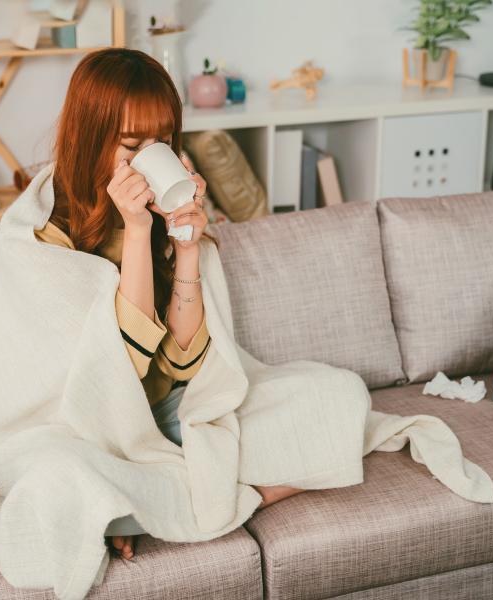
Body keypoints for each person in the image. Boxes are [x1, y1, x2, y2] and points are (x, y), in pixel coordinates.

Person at [33, 47, 305, 562]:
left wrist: (185, 248)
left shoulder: (166, 206)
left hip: (173, 410)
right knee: (54, 478)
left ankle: (171, 504)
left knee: (335, 399)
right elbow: (114, 377)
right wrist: (135, 231)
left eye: (162, 142)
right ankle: (178, 498)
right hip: (96, 426)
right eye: (132, 145)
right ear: (89, 136)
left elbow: (185, 362)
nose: (149, 156)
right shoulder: (46, 233)